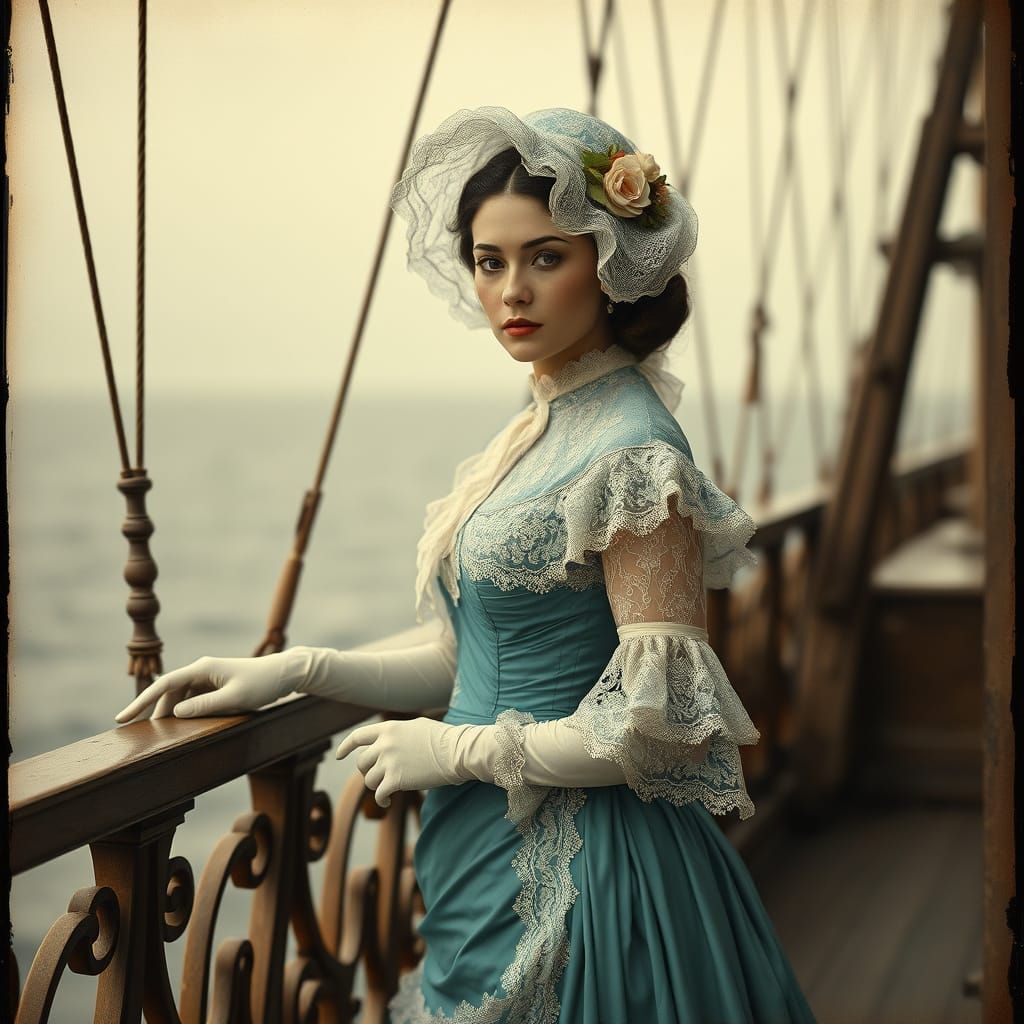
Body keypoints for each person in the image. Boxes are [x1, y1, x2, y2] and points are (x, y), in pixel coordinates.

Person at [116, 106, 817, 1023]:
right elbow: (478, 654)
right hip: (476, 856)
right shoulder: (541, 428)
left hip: (594, 873)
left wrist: (453, 749)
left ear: (609, 266)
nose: (512, 291)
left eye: (545, 257)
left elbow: (659, 728)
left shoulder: (634, 450)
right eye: (490, 262)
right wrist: (300, 670)